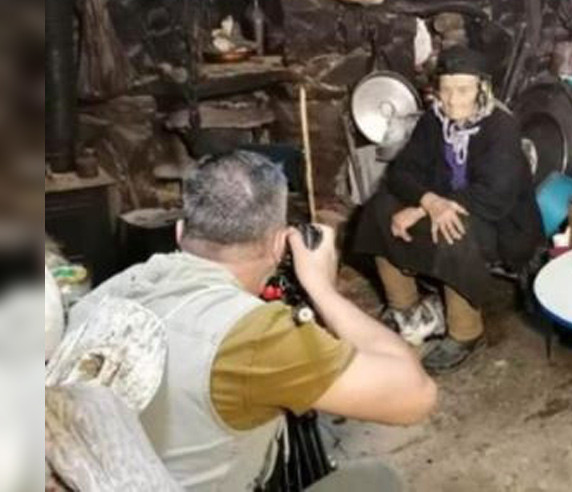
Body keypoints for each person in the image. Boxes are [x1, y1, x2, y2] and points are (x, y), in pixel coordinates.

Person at [69, 150, 437, 492]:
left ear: (179, 231)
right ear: (279, 245)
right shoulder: (251, 339)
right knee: (375, 480)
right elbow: (416, 396)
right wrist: (323, 289)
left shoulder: (103, 296)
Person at [354, 46, 544, 373]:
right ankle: (406, 309)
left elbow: (494, 196)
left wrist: (425, 210)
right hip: (445, 203)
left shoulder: (501, 127)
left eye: (463, 90)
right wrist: (429, 201)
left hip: (501, 221)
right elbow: (402, 172)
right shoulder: (434, 121)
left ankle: (466, 331)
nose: (453, 100)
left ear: (482, 90)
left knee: (452, 228)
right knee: (379, 208)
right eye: (445, 89)